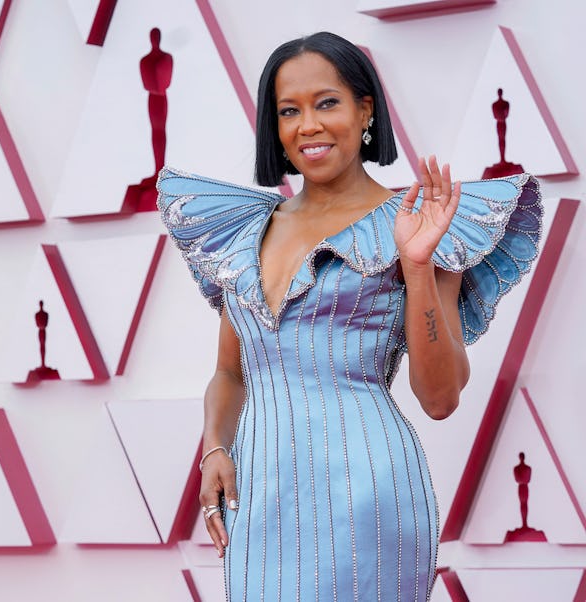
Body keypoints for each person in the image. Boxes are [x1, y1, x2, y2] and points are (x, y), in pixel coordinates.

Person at [157, 32, 542, 601]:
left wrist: (416, 266)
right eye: (289, 110)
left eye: (327, 102)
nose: (307, 125)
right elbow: (232, 374)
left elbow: (440, 398)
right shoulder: (243, 229)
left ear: (366, 109)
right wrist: (215, 445)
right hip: (260, 492)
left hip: (365, 491)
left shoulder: (421, 222)